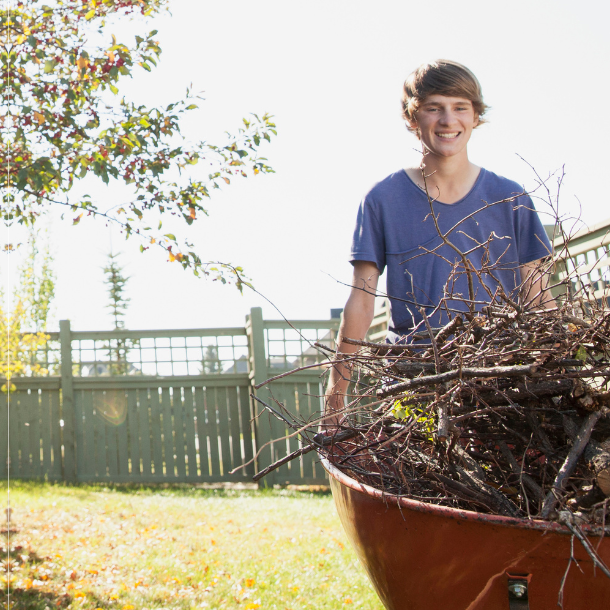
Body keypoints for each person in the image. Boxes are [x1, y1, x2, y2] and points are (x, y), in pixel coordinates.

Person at [325, 59, 554, 423]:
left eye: (460, 107)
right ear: (413, 119)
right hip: (415, 382)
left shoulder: (511, 198)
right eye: (434, 108)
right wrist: (335, 403)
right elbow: (361, 303)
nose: (448, 120)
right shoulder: (383, 199)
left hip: (503, 380)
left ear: (476, 116)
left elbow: (539, 298)